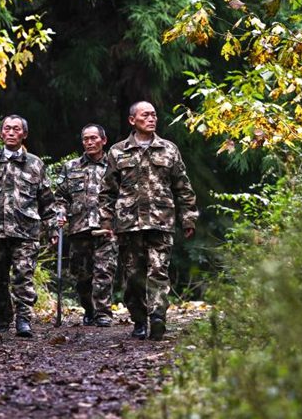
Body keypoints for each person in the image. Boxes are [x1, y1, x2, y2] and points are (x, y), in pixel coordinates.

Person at [98, 101, 198, 340]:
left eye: (154, 115)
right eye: (146, 115)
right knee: (132, 276)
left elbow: (183, 187)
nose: (152, 118)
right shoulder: (117, 151)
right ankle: (140, 319)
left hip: (160, 221)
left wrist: (189, 218)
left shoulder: (169, 149)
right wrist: (105, 222)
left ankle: (157, 317)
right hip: (128, 223)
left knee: (158, 271)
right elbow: (107, 192)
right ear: (132, 120)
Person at [0, 115, 56, 337]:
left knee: (23, 275)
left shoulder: (35, 164)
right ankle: (1, 320)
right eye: (7, 128)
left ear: (24, 134)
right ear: (1, 133)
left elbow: (47, 201)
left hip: (26, 232)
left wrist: (53, 229)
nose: (12, 132)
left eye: (17, 129)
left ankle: (23, 319)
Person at [52, 124, 117, 327]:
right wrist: (60, 214)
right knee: (82, 276)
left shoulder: (115, 166)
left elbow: (124, 196)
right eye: (86, 139)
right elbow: (60, 197)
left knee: (104, 272)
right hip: (79, 229)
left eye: (93, 138)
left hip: (106, 228)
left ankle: (103, 313)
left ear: (103, 140)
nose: (89, 142)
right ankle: (89, 308)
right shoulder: (71, 167)